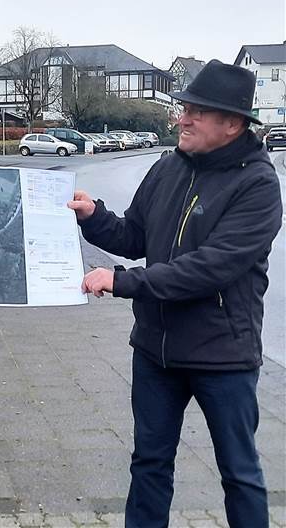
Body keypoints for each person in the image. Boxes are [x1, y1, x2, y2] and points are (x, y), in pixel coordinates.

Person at [68, 60, 282, 528]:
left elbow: (207, 270)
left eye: (196, 111)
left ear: (232, 124)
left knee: (239, 475)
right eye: (183, 108)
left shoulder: (258, 186)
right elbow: (135, 237)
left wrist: (121, 281)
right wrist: (93, 217)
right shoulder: (167, 167)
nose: (182, 118)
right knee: (149, 463)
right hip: (156, 351)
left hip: (222, 356)